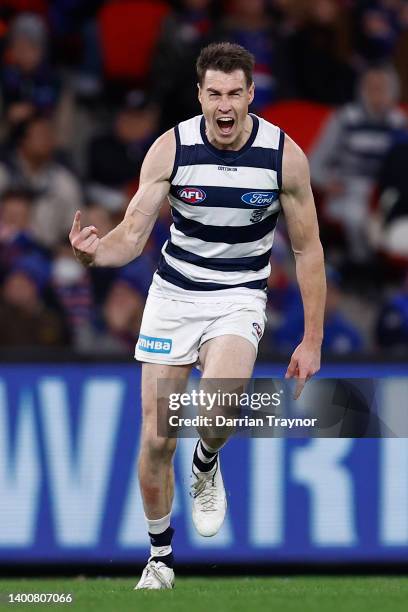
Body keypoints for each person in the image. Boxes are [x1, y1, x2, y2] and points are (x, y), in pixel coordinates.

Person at [69, 42, 326, 589]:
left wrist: (312, 338)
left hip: (238, 295)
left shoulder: (285, 157)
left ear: (252, 95)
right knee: (157, 437)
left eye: (236, 93)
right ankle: (160, 559)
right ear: (200, 95)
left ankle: (206, 463)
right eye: (215, 93)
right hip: (174, 297)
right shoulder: (171, 149)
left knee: (217, 406)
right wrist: (94, 253)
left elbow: (308, 251)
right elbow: (131, 236)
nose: (225, 104)